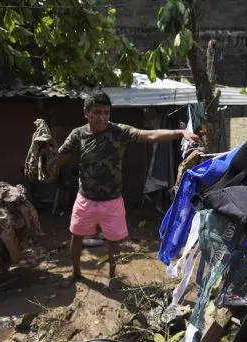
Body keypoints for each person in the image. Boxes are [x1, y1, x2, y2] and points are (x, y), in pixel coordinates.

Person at [57, 90, 199, 281]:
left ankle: (113, 277)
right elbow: (59, 158)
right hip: (85, 199)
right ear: (86, 112)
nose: (102, 117)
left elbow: (149, 135)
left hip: (112, 201)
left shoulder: (119, 132)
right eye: (97, 112)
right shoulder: (78, 135)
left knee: (114, 242)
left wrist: (179, 133)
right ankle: (75, 273)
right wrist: (43, 158)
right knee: (76, 237)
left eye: (106, 112)